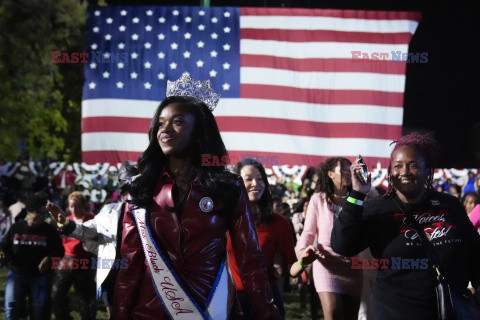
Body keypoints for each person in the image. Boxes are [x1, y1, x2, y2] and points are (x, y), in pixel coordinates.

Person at [113, 73, 281, 320]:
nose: (165, 130)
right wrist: (118, 314)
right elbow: (129, 266)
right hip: (150, 312)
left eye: (177, 122)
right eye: (160, 123)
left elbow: (250, 260)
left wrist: (269, 312)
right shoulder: (141, 189)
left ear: (200, 132)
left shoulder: (229, 186)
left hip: (212, 309)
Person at [331, 133, 480, 320]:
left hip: (447, 308)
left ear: (428, 171)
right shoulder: (377, 208)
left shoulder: (449, 204)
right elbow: (342, 245)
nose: (404, 172)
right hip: (394, 310)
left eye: (413, 165)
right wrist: (356, 195)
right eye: (398, 166)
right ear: (390, 171)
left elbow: (474, 251)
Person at [47, 161, 138, 318]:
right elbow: (85, 231)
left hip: (144, 272)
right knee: (114, 312)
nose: (131, 194)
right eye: (127, 189)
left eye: (137, 188)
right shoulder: (109, 211)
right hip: (113, 271)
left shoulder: (155, 211)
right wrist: (64, 222)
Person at [226, 159, 297, 319]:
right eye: (249, 178)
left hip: (266, 299)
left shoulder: (279, 222)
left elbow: (292, 266)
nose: (255, 183)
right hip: (231, 300)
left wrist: (304, 262)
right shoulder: (223, 219)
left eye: (260, 179)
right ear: (236, 182)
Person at [295, 157, 363, 320]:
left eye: (351, 169)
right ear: (331, 174)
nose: (349, 172)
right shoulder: (318, 199)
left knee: (350, 316)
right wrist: (303, 251)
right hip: (326, 264)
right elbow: (308, 232)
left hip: (352, 265)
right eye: (344, 169)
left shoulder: (359, 199)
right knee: (333, 312)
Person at [0, 191, 64, 320]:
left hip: (39, 277)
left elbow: (59, 251)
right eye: (37, 214)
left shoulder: (49, 231)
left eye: (42, 214)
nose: (39, 217)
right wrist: (2, 254)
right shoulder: (16, 228)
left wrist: (50, 259)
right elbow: (4, 246)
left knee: (39, 312)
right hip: (17, 275)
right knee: (11, 310)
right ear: (29, 213)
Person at [51, 191, 97, 320]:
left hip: (86, 260)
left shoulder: (92, 219)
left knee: (86, 297)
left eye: (77, 206)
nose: (74, 209)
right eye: (71, 206)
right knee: (56, 294)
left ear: (83, 206)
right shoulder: (65, 220)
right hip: (67, 259)